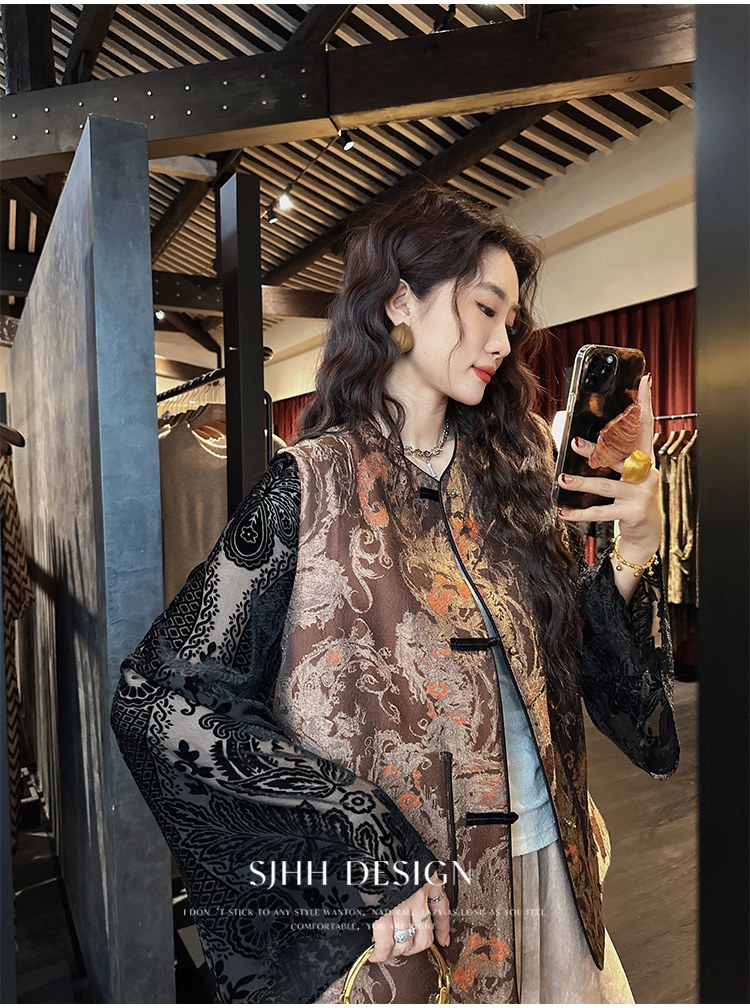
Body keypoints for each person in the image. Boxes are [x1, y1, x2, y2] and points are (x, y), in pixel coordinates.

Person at [111, 185, 679, 1004]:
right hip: (417, 910)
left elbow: (588, 673)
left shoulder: (517, 471)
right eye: (484, 308)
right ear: (400, 301)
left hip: (553, 868)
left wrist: (637, 546)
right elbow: (160, 698)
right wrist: (359, 842)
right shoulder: (309, 485)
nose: (502, 340)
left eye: (511, 320)